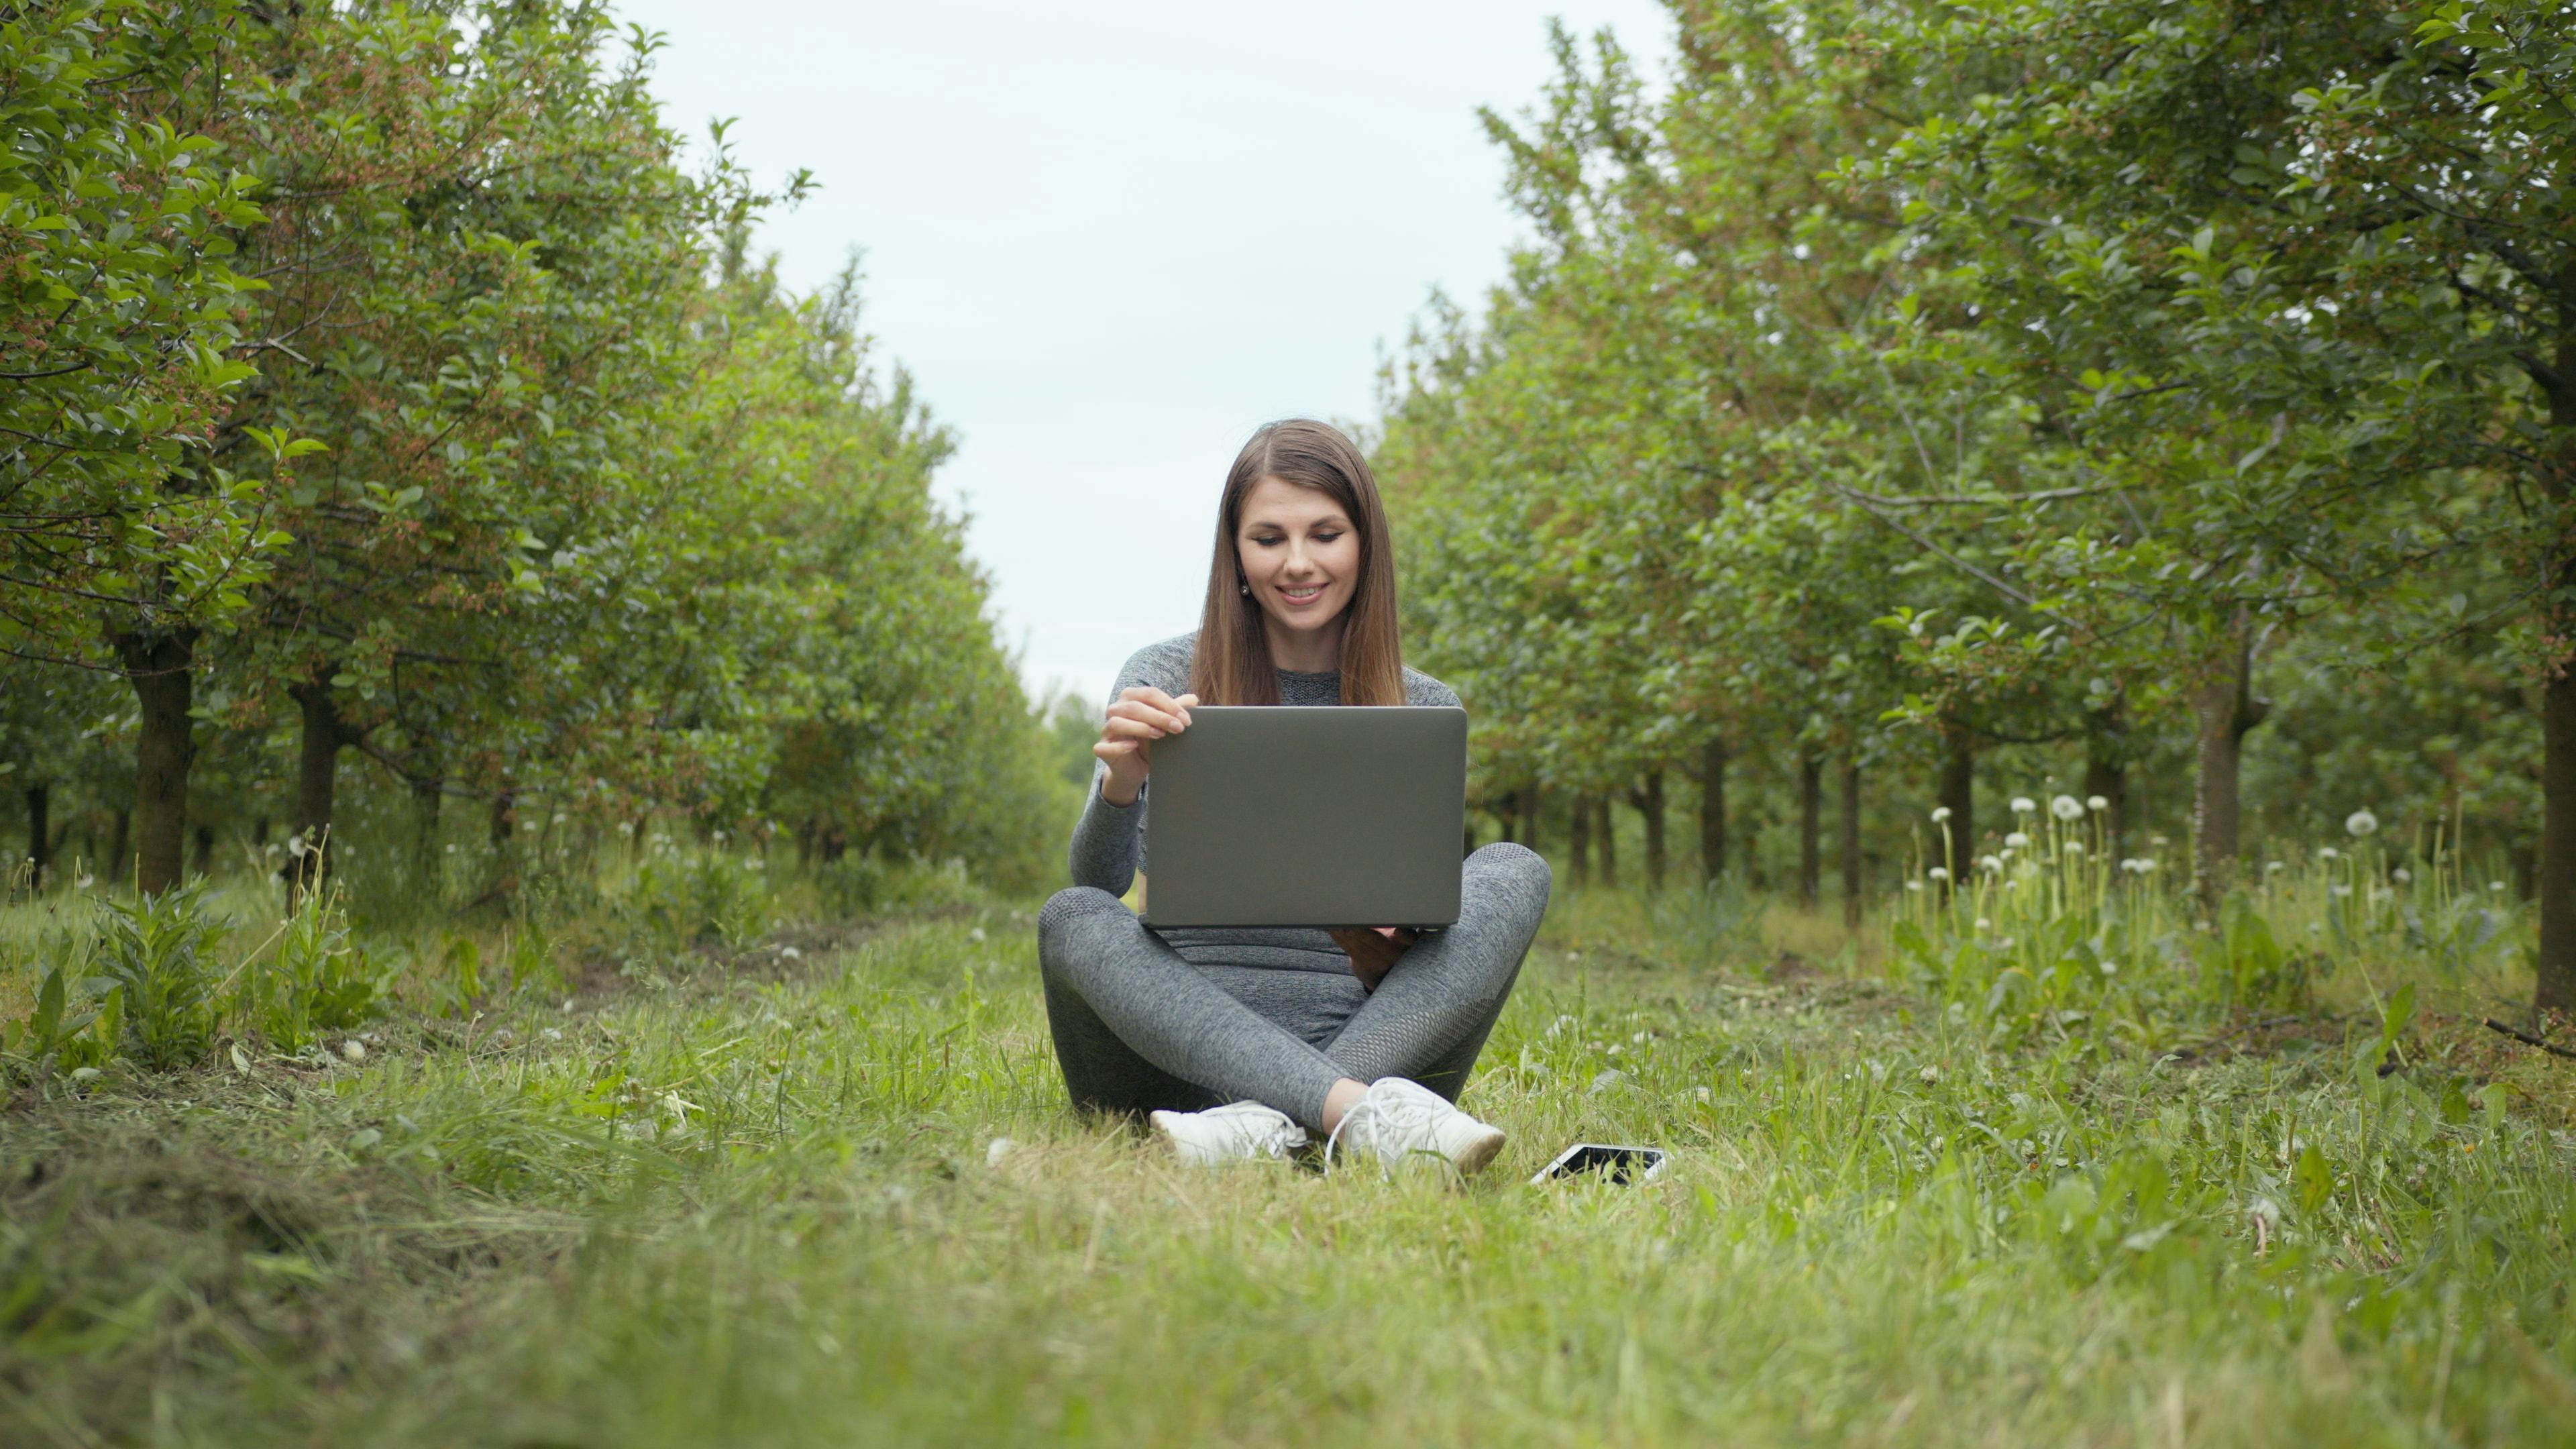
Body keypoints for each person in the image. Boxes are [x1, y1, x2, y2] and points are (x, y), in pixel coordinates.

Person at [1036, 418, 1552, 1174]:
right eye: (1269, 538)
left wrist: (1387, 934)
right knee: (1071, 916)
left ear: (1364, 545)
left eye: (1326, 534)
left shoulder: (1421, 705)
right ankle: (1350, 1119)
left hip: (1371, 1043)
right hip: (1173, 1061)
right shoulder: (1164, 673)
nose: (1299, 563)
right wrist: (1122, 783)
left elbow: (1422, 943)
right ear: (1236, 553)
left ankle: (1278, 1124)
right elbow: (1100, 881)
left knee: (1514, 868)